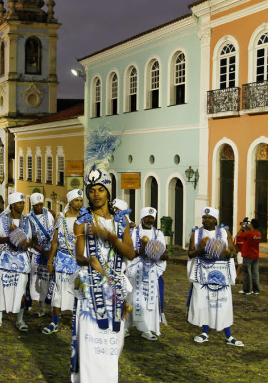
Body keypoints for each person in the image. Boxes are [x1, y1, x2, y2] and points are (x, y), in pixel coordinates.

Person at [70, 127, 136, 382]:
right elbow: (78, 256)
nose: (95, 194)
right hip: (90, 290)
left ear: (109, 191)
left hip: (116, 291)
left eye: (100, 189)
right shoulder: (81, 222)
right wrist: (91, 262)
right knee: (90, 344)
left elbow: (130, 253)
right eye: (91, 190)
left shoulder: (122, 222)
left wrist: (107, 236)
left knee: (111, 347)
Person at [186, 206, 243, 347]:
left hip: (221, 274)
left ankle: (228, 335)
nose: (206, 220)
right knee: (204, 303)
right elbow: (190, 253)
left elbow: (233, 252)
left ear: (215, 219)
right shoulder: (196, 233)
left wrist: (224, 251)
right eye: (204, 217)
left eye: (209, 218)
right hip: (202, 274)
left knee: (223, 303)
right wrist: (202, 249)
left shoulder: (224, 232)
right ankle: (205, 332)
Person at [41, 189, 82, 335]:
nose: (80, 203)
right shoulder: (61, 218)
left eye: (81, 200)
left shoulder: (84, 219)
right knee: (58, 292)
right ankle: (55, 322)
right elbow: (54, 242)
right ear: (70, 202)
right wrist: (50, 261)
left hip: (78, 261)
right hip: (62, 260)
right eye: (77, 200)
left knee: (77, 293)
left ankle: (77, 322)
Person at [0, 192, 32, 331]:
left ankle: (20, 319)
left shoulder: (27, 220)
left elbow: (31, 240)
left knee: (21, 290)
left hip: (21, 260)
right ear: (13, 204)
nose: (22, 205)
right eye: (20, 203)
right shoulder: (2, 219)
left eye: (23, 203)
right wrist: (9, 238)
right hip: (5, 259)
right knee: (2, 289)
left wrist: (21, 239)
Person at [127, 206, 168, 340]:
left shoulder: (159, 234)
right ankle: (126, 327)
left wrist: (158, 254)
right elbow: (128, 252)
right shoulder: (133, 232)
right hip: (136, 269)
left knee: (151, 300)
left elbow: (164, 252)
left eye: (151, 217)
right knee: (132, 298)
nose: (149, 219)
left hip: (151, 270)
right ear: (142, 217)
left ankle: (147, 329)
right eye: (147, 217)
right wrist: (141, 251)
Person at [27, 192, 55, 318]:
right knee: (38, 282)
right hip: (38, 254)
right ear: (32, 205)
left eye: (41, 204)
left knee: (50, 280)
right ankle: (41, 306)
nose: (39, 207)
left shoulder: (49, 214)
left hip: (50, 252)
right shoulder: (29, 219)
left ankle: (52, 306)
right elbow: (31, 241)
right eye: (36, 205)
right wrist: (43, 251)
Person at [239, 218, 263, 295]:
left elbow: (239, 235)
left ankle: (246, 290)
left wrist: (242, 228)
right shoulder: (259, 234)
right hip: (255, 255)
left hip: (247, 255)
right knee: (255, 273)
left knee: (247, 273)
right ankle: (256, 290)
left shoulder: (249, 233)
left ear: (251, 224)